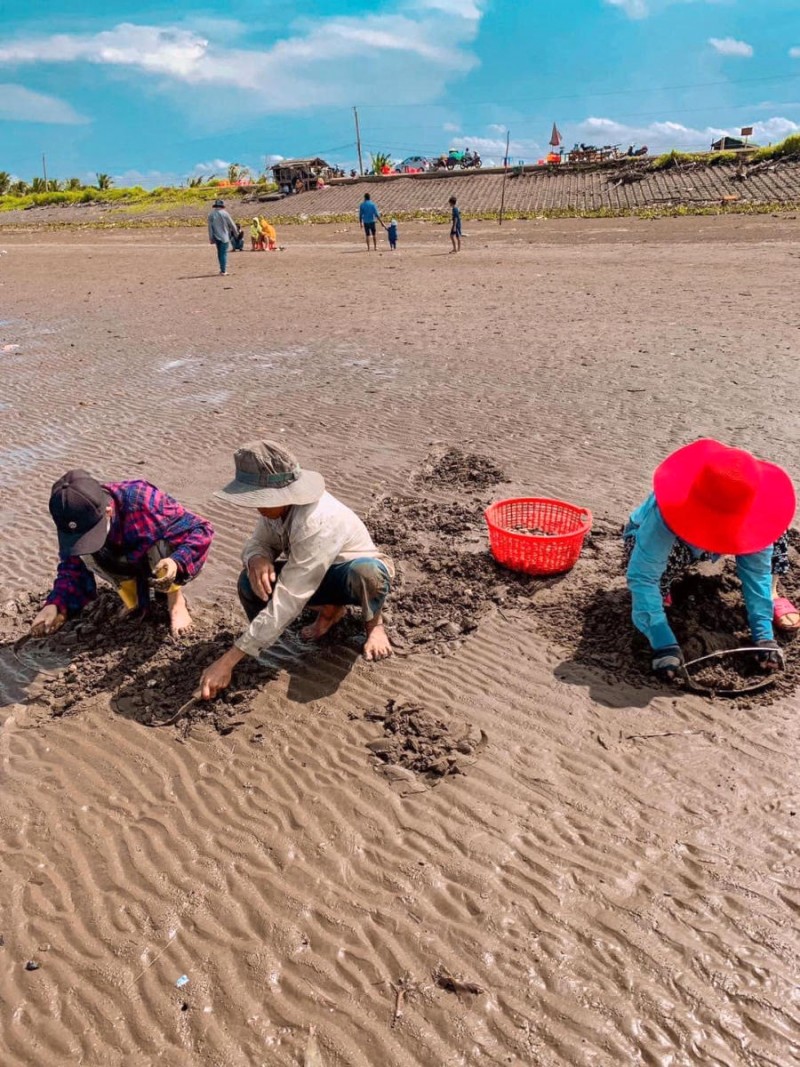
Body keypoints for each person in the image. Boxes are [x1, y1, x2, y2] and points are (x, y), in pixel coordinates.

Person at [198, 441, 394, 700]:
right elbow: (257, 543)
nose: (257, 507)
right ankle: (326, 613)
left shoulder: (316, 520)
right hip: (312, 574)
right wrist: (257, 557)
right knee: (250, 580)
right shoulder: (274, 511)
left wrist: (227, 661)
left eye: (260, 498)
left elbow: (290, 597)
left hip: (349, 575)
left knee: (367, 574)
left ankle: (374, 625)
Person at [624, 439, 799, 681]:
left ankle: (773, 593)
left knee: (775, 530)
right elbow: (642, 575)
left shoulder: (750, 505)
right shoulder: (668, 509)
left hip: (719, 534)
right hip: (669, 541)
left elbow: (756, 572)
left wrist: (763, 635)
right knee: (651, 582)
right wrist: (662, 640)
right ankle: (660, 596)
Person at [31, 470, 214, 640]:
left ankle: (175, 602)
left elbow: (201, 529)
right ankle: (131, 598)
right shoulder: (72, 518)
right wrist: (54, 604)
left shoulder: (142, 499)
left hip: (155, 556)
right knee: (84, 554)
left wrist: (177, 561)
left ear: (108, 511)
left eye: (92, 533)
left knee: (164, 545)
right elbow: (71, 566)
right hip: (123, 558)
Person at [207, 198, 239, 276]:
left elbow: (210, 228)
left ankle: (222, 269)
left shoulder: (211, 214)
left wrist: (211, 238)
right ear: (222, 206)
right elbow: (232, 225)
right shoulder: (225, 213)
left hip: (216, 237)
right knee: (223, 254)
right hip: (224, 237)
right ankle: (223, 270)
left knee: (220, 253)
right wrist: (236, 234)